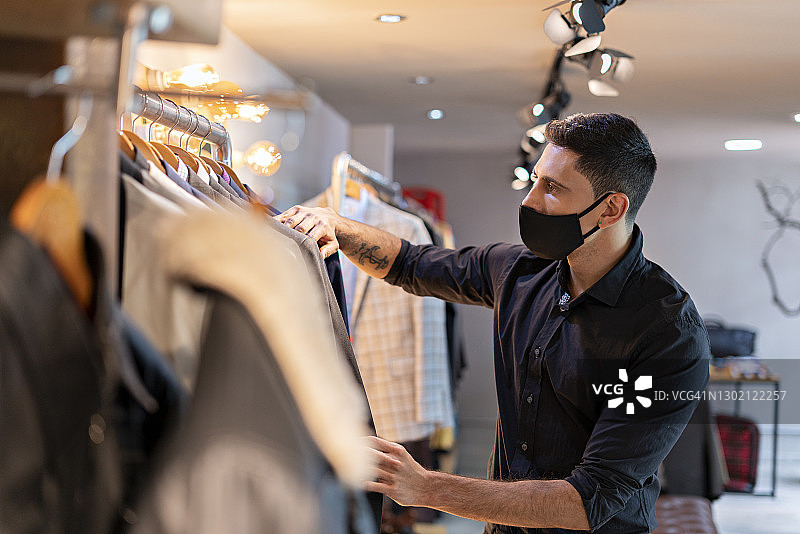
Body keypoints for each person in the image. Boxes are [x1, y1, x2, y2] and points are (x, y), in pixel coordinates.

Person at [277, 113, 710, 534]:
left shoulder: (668, 333)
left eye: (553, 188)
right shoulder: (522, 271)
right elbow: (411, 263)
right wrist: (336, 224)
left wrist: (426, 487)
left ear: (611, 208)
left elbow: (588, 499)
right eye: (535, 179)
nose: (529, 199)